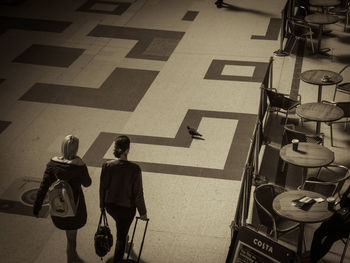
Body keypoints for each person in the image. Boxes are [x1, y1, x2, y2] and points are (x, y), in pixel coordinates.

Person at [33, 135, 92, 263]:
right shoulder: (79, 166)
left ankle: (71, 253)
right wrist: (81, 165)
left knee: (68, 233)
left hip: (59, 208)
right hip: (75, 208)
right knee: (72, 237)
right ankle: (71, 256)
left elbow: (43, 187)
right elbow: (87, 183)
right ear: (75, 149)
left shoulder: (52, 165)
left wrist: (37, 208)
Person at [99, 135, 147, 263]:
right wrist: (143, 212)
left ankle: (125, 239)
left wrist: (102, 205)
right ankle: (118, 259)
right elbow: (138, 193)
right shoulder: (135, 169)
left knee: (120, 226)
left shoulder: (107, 166)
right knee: (121, 235)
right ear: (127, 150)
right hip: (127, 208)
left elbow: (102, 188)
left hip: (110, 206)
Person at [309, 185, 350, 262]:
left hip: (347, 224)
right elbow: (342, 204)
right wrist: (346, 195)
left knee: (329, 239)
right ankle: (313, 256)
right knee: (318, 233)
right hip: (340, 215)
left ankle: (312, 259)